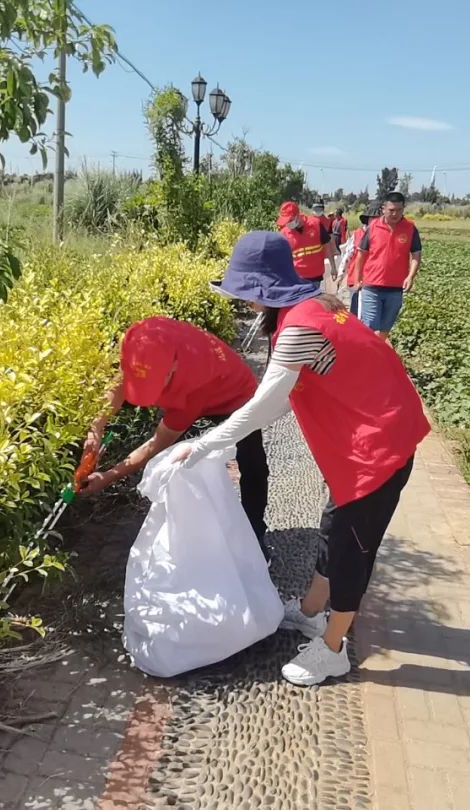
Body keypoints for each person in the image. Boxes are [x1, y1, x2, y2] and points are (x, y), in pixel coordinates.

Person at [170, 231, 430, 686]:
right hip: (368, 437)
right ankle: (312, 612)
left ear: (261, 289)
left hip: (377, 447)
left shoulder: (302, 326)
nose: (244, 303)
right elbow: (288, 395)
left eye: (245, 292)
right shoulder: (310, 310)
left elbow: (267, 405)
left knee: (352, 551)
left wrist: (206, 444)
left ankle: (333, 648)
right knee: (333, 528)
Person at [81, 316, 271, 559]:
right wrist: (96, 428)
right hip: (194, 380)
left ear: (172, 368)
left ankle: (254, 536)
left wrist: (110, 475)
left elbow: (156, 444)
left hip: (235, 396)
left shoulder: (194, 382)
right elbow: (120, 381)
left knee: (253, 466)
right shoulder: (143, 338)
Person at [348, 191, 422, 337]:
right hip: (371, 286)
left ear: (403, 209)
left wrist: (410, 276)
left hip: (395, 288)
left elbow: (416, 254)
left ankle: (376, 355)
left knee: (384, 330)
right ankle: (368, 356)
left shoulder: (410, 229)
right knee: (369, 328)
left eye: (399, 210)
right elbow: (361, 254)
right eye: (391, 210)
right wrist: (357, 280)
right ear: (384, 208)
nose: (395, 214)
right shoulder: (373, 227)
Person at [276, 200, 336, 292]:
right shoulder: (284, 233)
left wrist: (333, 267)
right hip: (296, 279)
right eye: (286, 221)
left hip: (315, 277)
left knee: (312, 304)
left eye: (290, 220)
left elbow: (327, 245)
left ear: (297, 215)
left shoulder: (316, 224)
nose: (288, 223)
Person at [337, 203, 378, 315]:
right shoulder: (358, 234)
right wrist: (341, 274)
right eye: (373, 218)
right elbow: (348, 255)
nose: (376, 221)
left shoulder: (383, 235)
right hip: (355, 279)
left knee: (368, 313)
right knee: (355, 310)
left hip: (373, 280)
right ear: (367, 219)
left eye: (378, 218)